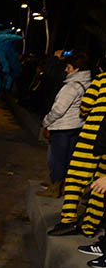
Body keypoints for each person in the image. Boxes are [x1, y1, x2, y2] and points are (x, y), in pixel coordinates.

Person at [48, 69, 106, 238]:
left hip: (92, 135)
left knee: (75, 177)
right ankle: (89, 227)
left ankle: (68, 221)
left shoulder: (102, 79)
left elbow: (86, 105)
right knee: (100, 184)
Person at [38, 51, 92, 198]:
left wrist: (46, 122)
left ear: (76, 69)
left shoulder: (71, 86)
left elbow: (59, 110)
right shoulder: (89, 84)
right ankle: (65, 188)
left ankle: (55, 189)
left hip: (62, 128)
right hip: (76, 126)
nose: (66, 70)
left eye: (68, 67)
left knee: (57, 160)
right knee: (69, 159)